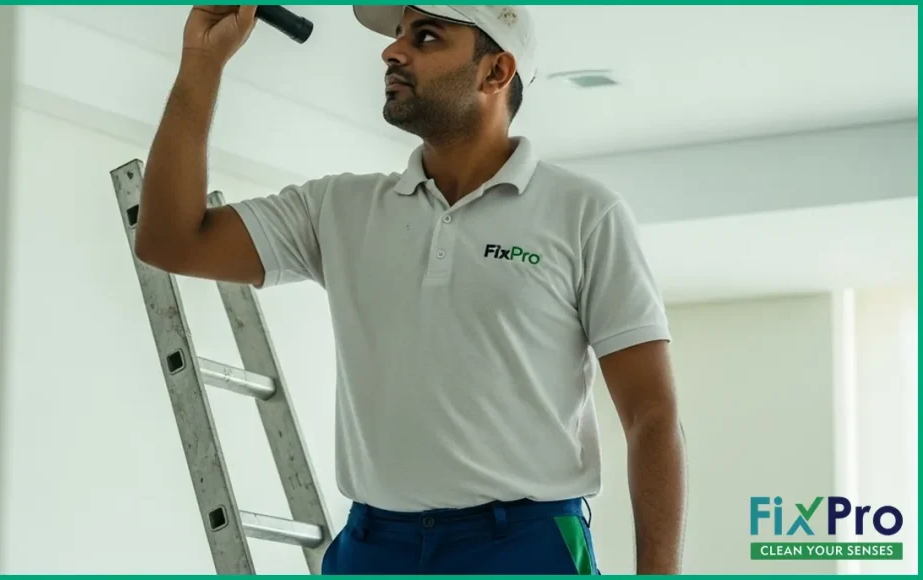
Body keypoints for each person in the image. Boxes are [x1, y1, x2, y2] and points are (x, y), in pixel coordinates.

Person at [136, 4, 687, 575]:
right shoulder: (337, 209)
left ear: (496, 71)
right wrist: (203, 61)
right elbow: (170, 241)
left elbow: (651, 415)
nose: (393, 51)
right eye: (399, 35)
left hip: (524, 548)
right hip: (374, 545)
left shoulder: (584, 215)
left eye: (425, 37)